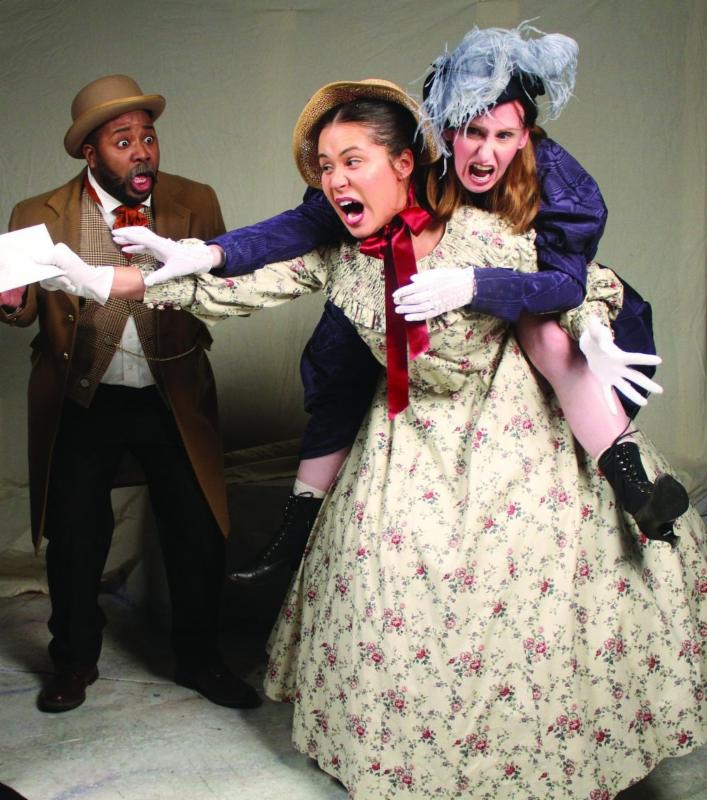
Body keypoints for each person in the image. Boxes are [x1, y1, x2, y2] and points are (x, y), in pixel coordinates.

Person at [47, 78, 706, 798]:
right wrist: (101, 281)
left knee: (532, 597)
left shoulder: (483, 233)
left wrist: (593, 332)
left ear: (403, 164)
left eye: (351, 161)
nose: (334, 180)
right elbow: (228, 290)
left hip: (513, 425)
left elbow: (565, 288)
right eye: (325, 167)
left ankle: (539, 749)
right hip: (409, 434)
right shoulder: (340, 254)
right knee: (391, 583)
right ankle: (411, 753)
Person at [113, 26, 687, 587]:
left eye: (505, 135)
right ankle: (297, 527)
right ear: (446, 125)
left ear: (526, 136)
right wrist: (213, 253)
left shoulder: (557, 182)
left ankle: (636, 490)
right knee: (341, 353)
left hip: (519, 298)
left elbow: (566, 281)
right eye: (471, 131)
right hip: (412, 289)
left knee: (554, 341)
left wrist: (495, 292)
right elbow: (311, 222)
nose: (485, 150)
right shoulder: (413, 153)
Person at [0, 74, 260, 711]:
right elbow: (21, 312)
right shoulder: (37, 214)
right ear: (91, 154)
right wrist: (9, 299)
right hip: (82, 399)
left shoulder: (196, 201)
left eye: (148, 138)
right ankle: (73, 662)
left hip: (172, 395)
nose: (142, 152)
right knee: (75, 535)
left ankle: (200, 660)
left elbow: (225, 288)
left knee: (197, 529)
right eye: (123, 142)